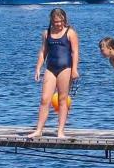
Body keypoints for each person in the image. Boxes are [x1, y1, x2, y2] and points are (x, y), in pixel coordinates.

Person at [27, 9, 79, 139]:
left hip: (65, 67)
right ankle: (39, 130)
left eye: (61, 21)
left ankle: (60, 131)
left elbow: (75, 52)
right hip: (50, 68)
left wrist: (74, 70)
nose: (59, 24)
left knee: (62, 100)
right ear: (51, 21)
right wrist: (38, 68)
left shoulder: (70, 33)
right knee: (45, 99)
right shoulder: (46, 33)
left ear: (64, 20)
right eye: (56, 22)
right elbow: (43, 52)